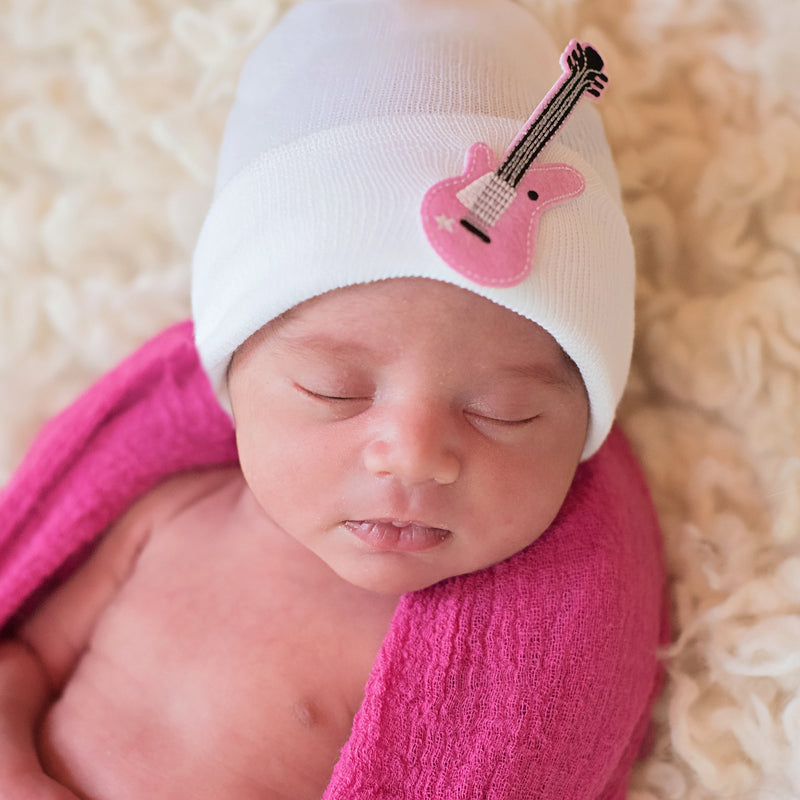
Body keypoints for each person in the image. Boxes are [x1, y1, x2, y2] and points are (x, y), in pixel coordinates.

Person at [0, 1, 669, 798]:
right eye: (335, 390)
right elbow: (23, 661)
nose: (414, 452)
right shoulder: (169, 519)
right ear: (233, 375)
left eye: (502, 411)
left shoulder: (464, 684)